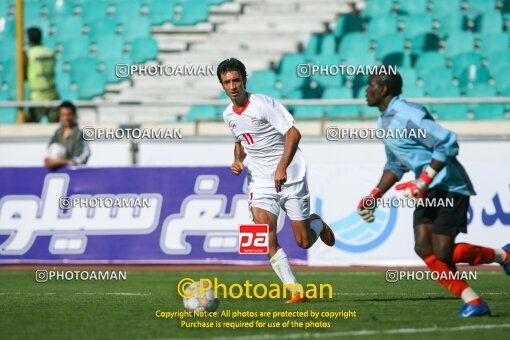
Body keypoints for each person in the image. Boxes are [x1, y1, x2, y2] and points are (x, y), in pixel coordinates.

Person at [357, 70, 510, 317]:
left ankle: (503, 255)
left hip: (449, 186)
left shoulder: (407, 114)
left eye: (370, 85)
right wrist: (374, 195)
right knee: (423, 248)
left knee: (443, 253)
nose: (366, 90)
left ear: (383, 89)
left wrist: (424, 179)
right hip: (426, 189)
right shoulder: (383, 122)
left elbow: (447, 141)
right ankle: (473, 301)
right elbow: (396, 165)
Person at [218, 58, 335, 303]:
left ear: (244, 80)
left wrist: (281, 167)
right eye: (227, 82)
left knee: (303, 242)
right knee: (264, 234)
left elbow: (294, 133)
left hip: (290, 176)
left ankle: (316, 224)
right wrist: (238, 161)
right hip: (260, 181)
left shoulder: (263, 104)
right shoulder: (228, 115)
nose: (233, 86)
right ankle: (296, 291)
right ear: (222, 85)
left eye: (236, 80)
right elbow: (241, 142)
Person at [24, 27, 59, 123]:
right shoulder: (50, 52)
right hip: (52, 94)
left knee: (30, 128)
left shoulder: (29, 54)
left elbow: (24, 76)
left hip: (37, 96)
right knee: (54, 127)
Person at [44, 101, 90, 170]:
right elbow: (50, 149)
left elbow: (81, 159)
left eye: (69, 114)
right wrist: (48, 160)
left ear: (74, 115)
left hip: (75, 174)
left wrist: (60, 162)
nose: (66, 118)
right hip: (57, 173)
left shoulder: (80, 135)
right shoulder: (58, 132)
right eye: (63, 115)